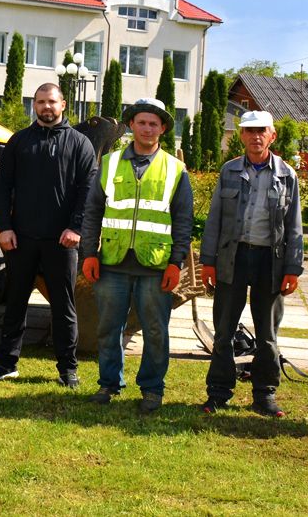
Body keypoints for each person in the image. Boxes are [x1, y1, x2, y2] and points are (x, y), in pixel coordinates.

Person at [80, 98, 193, 414]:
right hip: (112, 262)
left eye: (154, 124)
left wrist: (176, 263)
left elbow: (184, 220)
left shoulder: (175, 169)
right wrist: (90, 254)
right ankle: (108, 383)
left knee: (156, 331)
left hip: (155, 265)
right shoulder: (110, 163)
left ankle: (152, 389)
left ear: (163, 129)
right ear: (131, 125)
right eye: (142, 122)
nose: (147, 128)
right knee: (108, 328)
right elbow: (92, 211)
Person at [0, 83, 97, 387]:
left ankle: (67, 370)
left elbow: (88, 190)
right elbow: (2, 188)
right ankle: (6, 364)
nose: (46, 107)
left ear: (63, 105)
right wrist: (4, 227)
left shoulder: (80, 144)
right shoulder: (20, 142)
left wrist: (75, 228)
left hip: (62, 241)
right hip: (21, 239)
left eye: (52, 102)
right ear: (33, 105)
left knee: (64, 307)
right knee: (16, 303)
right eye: (40, 102)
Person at [199, 110, 304, 418]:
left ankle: (265, 394)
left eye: (262, 131)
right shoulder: (229, 171)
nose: (255, 136)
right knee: (224, 330)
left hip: (270, 261)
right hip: (233, 257)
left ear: (272, 136)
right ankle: (218, 392)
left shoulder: (287, 174)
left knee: (267, 334)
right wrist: (208, 261)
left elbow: (294, 225)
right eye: (249, 131)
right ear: (241, 136)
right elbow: (215, 218)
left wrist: (293, 268)